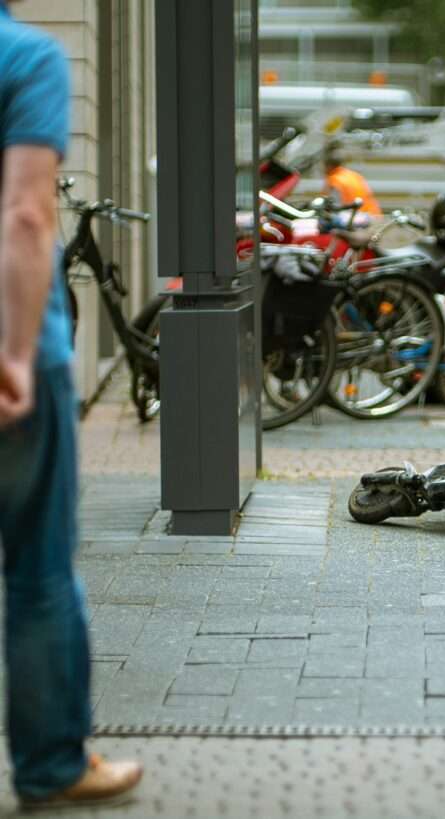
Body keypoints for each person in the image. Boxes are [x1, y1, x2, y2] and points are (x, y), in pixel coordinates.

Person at [0, 0, 142, 809]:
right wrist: (14, 354)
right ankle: (53, 763)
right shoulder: (25, 58)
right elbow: (24, 213)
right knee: (38, 567)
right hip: (21, 355)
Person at [323, 143, 382, 216]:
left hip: (355, 219)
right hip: (373, 215)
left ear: (329, 166)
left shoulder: (335, 180)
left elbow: (334, 207)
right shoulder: (355, 176)